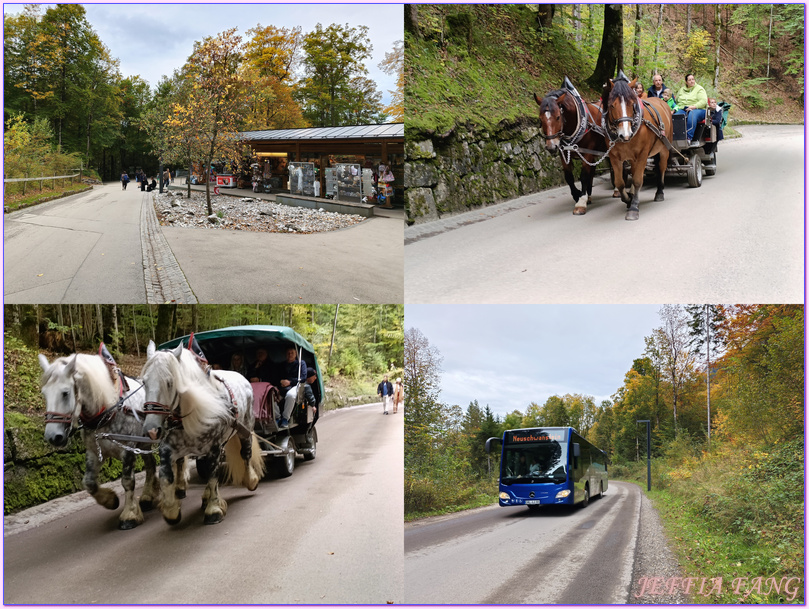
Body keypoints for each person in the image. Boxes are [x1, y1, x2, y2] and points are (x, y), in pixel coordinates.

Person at [273, 345, 307, 429]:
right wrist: (280, 381)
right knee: (270, 395)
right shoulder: (281, 365)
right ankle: (277, 417)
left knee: (290, 395)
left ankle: (285, 418)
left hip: (294, 386)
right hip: (281, 387)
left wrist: (290, 382)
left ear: (296, 354)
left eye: (292, 353)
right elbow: (275, 378)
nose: (290, 355)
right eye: (288, 353)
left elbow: (303, 378)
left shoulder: (301, 363)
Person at [674, 73, 708, 141]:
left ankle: (689, 137)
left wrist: (694, 106)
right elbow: (677, 100)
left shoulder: (699, 89)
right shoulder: (681, 90)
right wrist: (681, 107)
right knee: (676, 116)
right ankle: (676, 136)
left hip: (699, 109)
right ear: (686, 82)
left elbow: (703, 101)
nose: (692, 81)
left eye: (693, 79)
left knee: (692, 114)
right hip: (684, 108)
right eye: (689, 80)